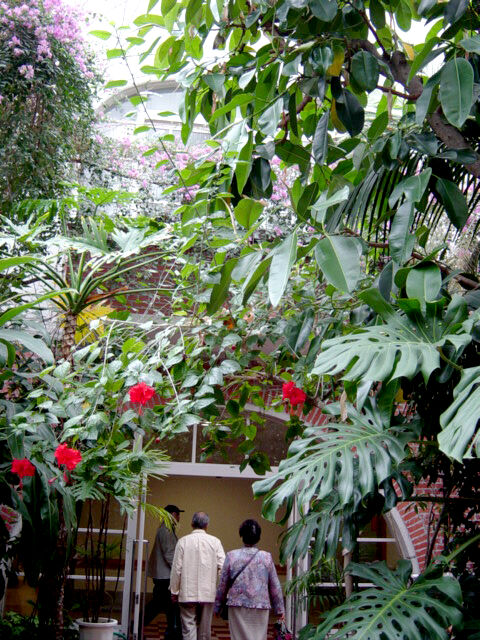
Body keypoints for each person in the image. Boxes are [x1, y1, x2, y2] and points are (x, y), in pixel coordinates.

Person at [214, 519, 285, 640]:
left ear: (242, 535)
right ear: (258, 537)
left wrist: (217, 607)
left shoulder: (232, 556)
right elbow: (275, 586)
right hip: (260, 605)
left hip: (237, 605)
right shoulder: (266, 557)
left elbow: (223, 585)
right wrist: (280, 609)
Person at [170, 511, 225, 640]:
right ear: (207, 525)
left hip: (187, 593)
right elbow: (223, 567)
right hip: (207, 593)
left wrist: (174, 591)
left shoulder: (183, 542)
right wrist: (221, 591)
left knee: (188, 628)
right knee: (205, 630)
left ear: (192, 524)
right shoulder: (215, 542)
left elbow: (176, 569)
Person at [144, 504, 184, 639]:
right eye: (177, 514)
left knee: (168, 605)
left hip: (163, 574)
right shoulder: (166, 530)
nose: (179, 517)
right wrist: (179, 571)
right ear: (172, 514)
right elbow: (169, 554)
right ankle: (137, 624)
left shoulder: (166, 529)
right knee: (160, 604)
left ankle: (172, 632)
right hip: (164, 575)